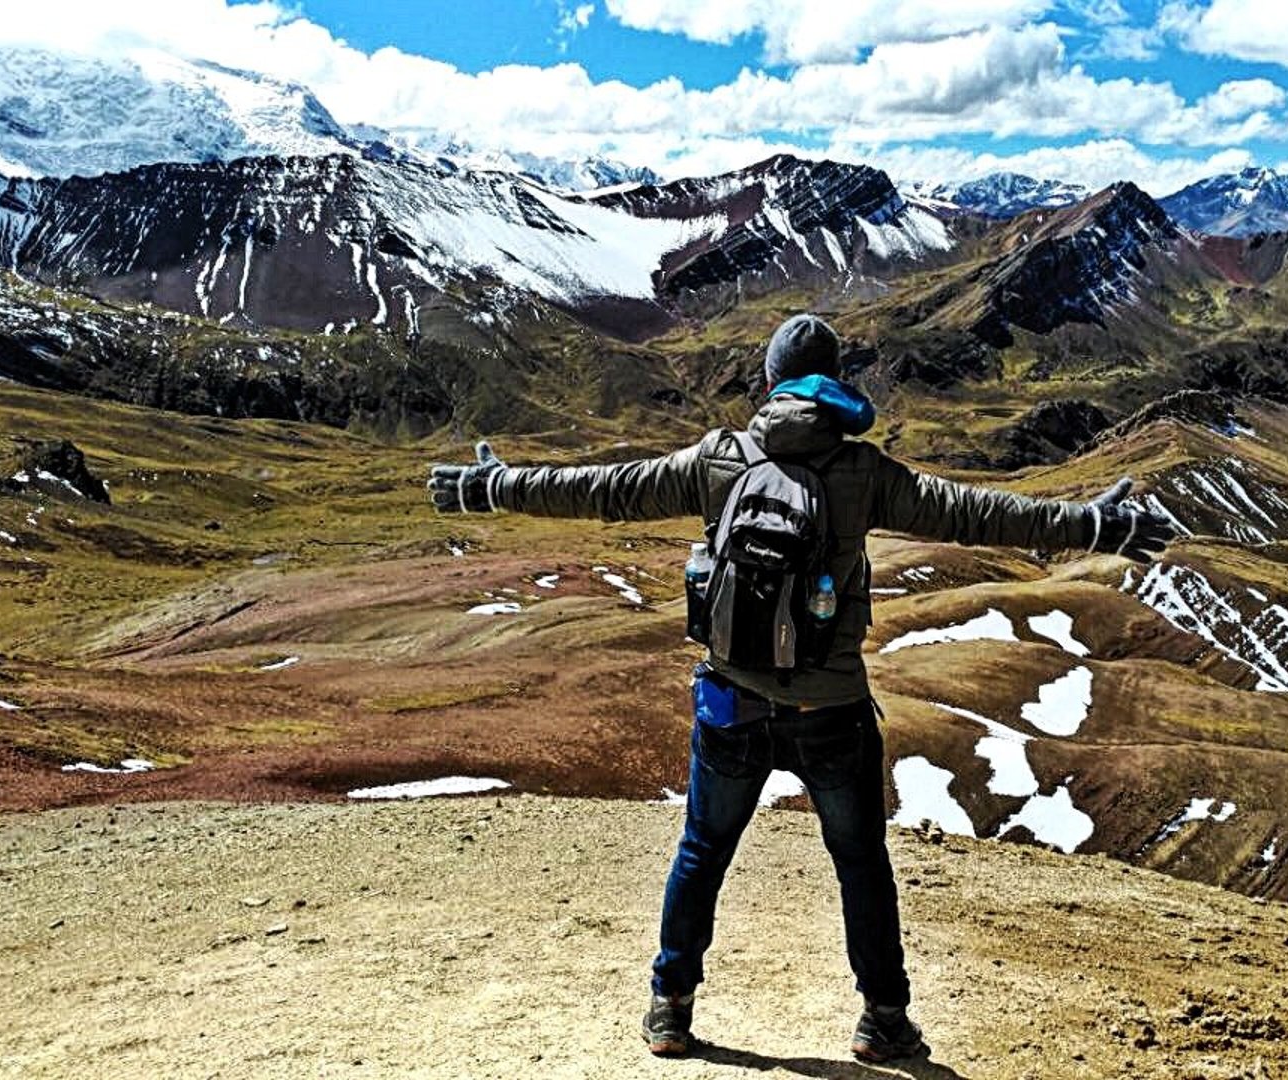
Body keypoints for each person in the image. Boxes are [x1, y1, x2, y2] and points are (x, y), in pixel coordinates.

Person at [428, 313, 1171, 1063]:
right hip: (832, 710)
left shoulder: (719, 460)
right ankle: (883, 1020)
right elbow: (977, 513)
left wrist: (492, 487)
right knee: (860, 863)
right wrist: (1092, 527)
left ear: (769, 381)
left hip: (730, 703)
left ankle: (670, 1008)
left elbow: (606, 491)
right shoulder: (862, 472)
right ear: (833, 383)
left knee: (702, 851)